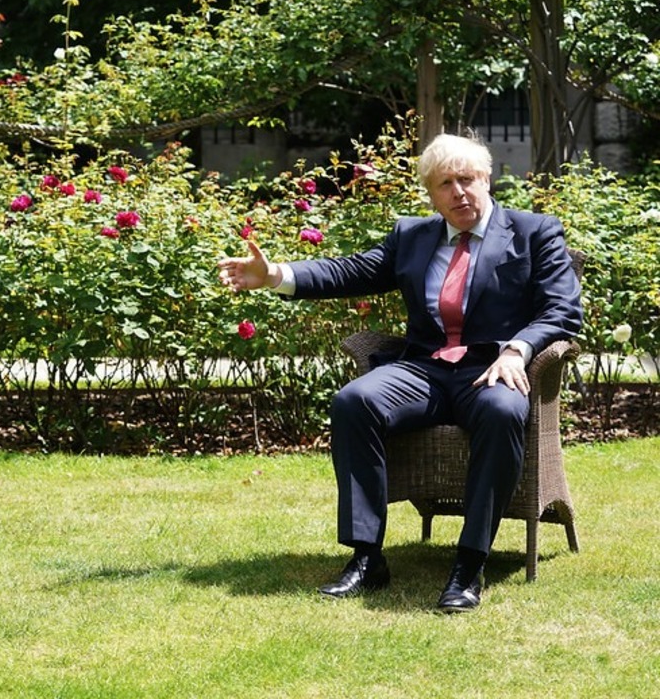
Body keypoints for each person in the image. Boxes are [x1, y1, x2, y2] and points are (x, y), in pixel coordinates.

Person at [216, 133, 582, 613]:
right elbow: (350, 272)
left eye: (467, 179)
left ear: (487, 179)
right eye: (445, 183)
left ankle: (469, 566)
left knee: (499, 410)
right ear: (431, 193)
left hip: (494, 368)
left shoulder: (534, 232)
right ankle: (367, 558)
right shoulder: (413, 236)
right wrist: (276, 276)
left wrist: (518, 350)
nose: (459, 192)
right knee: (355, 401)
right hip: (426, 369)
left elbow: (562, 310)